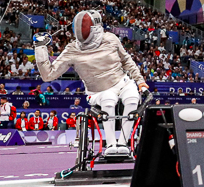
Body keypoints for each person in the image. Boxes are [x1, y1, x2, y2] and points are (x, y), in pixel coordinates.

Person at [33, 9, 149, 158]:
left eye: (84, 28)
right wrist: (40, 48)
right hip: (97, 91)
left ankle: (123, 143)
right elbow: (48, 75)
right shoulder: (72, 49)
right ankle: (112, 144)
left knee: (132, 97)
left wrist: (140, 81)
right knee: (108, 99)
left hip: (122, 82)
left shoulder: (111, 39)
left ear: (95, 28)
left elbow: (126, 60)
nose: (81, 32)